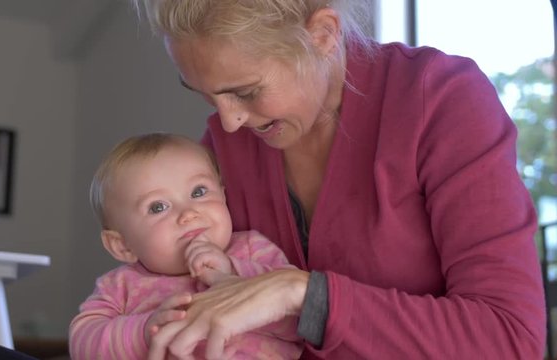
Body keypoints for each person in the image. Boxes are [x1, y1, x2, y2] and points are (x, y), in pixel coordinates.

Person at [128, 0, 547, 359]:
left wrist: (299, 294)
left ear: (323, 35)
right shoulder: (222, 147)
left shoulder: (441, 99)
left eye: (247, 91)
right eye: (202, 92)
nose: (229, 122)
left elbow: (510, 340)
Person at [69, 133, 303, 359]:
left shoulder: (252, 250)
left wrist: (233, 273)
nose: (189, 213)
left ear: (223, 197)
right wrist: (144, 332)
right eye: (158, 207)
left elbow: (300, 321)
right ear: (123, 246)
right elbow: (82, 344)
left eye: (199, 192)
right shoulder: (120, 286)